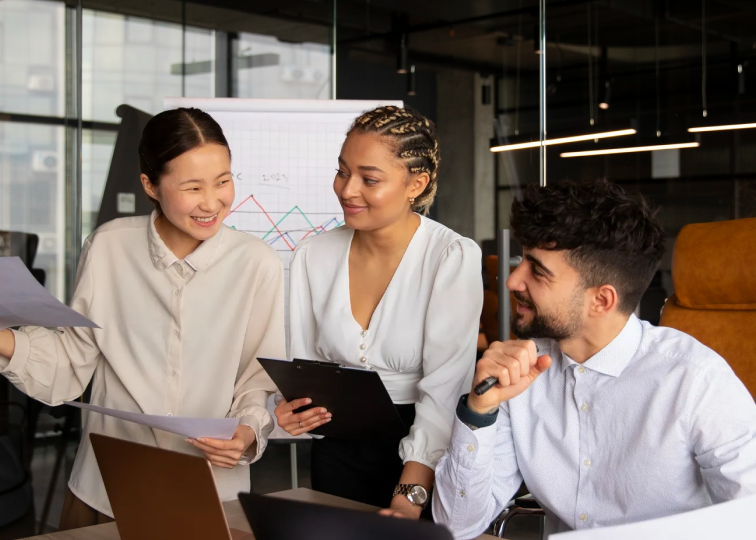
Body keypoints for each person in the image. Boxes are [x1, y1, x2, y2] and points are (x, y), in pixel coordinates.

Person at [0, 108, 284, 529]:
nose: (212, 202)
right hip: (105, 486)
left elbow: (256, 381)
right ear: (150, 185)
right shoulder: (108, 246)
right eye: (193, 187)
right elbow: (72, 360)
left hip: (208, 490)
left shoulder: (257, 263)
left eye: (223, 181)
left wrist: (246, 433)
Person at [433, 179, 756, 538]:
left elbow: (750, 519)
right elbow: (456, 525)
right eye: (521, 261)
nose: (512, 282)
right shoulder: (520, 373)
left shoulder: (696, 381)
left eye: (537, 271)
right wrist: (479, 411)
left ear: (601, 300)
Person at [274, 106, 483, 519]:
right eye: (342, 172)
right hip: (336, 452)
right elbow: (305, 367)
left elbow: (445, 390)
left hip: (422, 457)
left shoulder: (450, 256)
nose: (347, 190)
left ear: (416, 184)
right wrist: (294, 409)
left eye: (369, 179)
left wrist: (409, 495)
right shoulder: (313, 255)